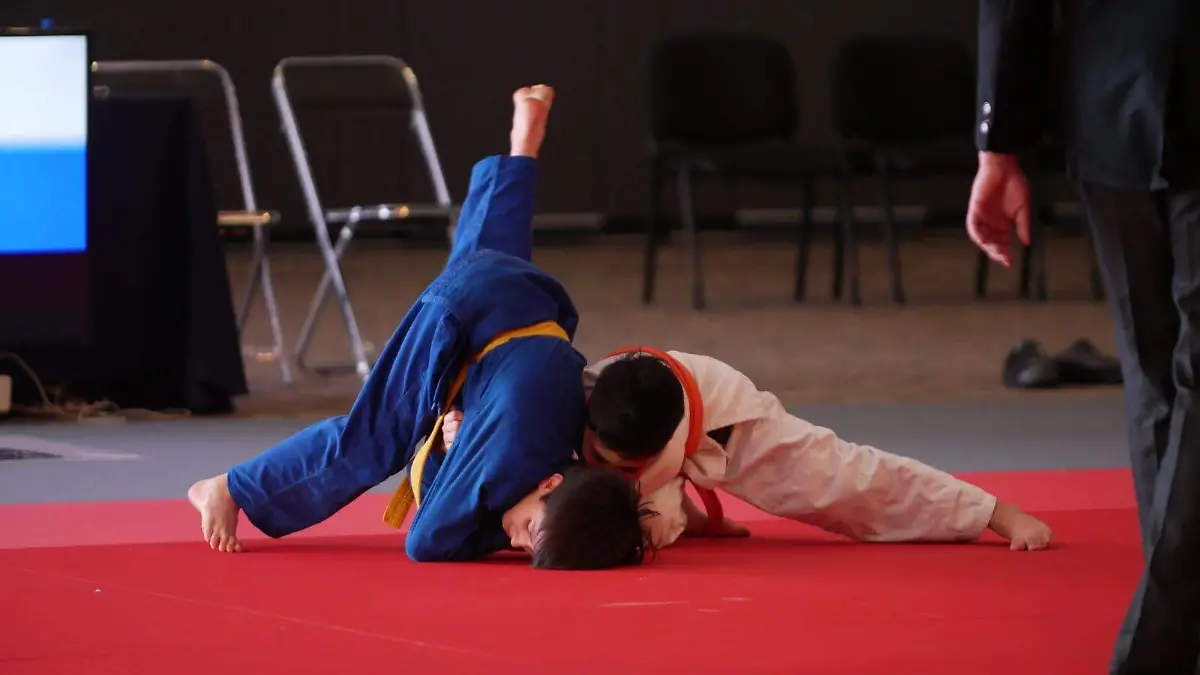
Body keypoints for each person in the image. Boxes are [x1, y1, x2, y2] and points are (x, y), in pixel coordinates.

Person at [187, 85, 653, 570]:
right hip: (460, 320)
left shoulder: (569, 470)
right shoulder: (507, 462)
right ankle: (229, 487)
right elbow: (428, 540)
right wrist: (467, 477)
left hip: (519, 304)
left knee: (487, 260)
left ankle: (521, 151)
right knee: (375, 437)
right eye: (531, 532)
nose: (517, 543)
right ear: (550, 483)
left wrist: (463, 446)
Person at [967, 2, 1200, 672]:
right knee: (1165, 377)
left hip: (1110, 98)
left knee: (1155, 379)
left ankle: (1170, 637)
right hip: (1123, 105)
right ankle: (1157, 646)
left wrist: (998, 140)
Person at [443, 348, 1053, 550]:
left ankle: (989, 510)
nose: (608, 472)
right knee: (632, 528)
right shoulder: (568, 399)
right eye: (599, 459)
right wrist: (458, 434)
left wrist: (991, 512)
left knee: (850, 481)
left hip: (725, 423)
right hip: (643, 424)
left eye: (629, 469)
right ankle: (688, 514)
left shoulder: (730, 425)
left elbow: (863, 482)